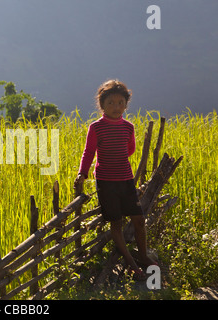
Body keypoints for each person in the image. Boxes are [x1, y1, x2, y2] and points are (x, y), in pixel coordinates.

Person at [73, 79, 157, 279]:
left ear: (126, 105)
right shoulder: (96, 128)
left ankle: (143, 256)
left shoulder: (128, 127)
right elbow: (89, 152)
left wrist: (116, 158)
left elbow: (130, 149)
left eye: (120, 103)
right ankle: (132, 264)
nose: (116, 107)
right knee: (116, 224)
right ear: (102, 105)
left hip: (126, 180)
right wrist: (82, 174)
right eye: (110, 103)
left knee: (139, 219)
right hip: (106, 182)